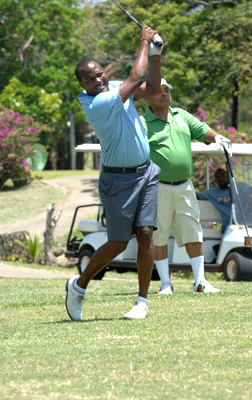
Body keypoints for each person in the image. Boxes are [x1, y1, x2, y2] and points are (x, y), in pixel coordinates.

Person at [65, 26, 163, 321]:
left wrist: (155, 55)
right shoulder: (95, 103)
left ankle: (142, 301)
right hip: (118, 180)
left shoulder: (114, 88)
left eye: (99, 73)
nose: (98, 79)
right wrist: (144, 40)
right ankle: (79, 286)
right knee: (119, 243)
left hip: (146, 173)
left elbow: (152, 88)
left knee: (145, 233)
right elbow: (136, 78)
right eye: (90, 78)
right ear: (83, 85)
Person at [140, 79, 232, 294]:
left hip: (185, 186)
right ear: (148, 97)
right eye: (159, 91)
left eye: (167, 90)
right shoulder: (143, 122)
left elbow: (202, 130)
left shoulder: (181, 115)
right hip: (157, 186)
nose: (165, 94)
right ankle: (165, 283)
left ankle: (200, 281)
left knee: (193, 231)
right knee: (160, 234)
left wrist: (217, 136)